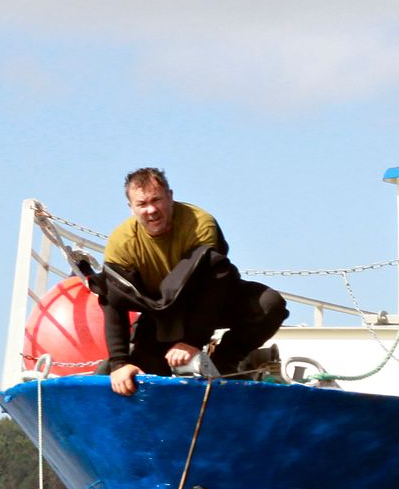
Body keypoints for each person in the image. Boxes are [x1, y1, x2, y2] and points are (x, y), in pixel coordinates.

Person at [93, 169, 288, 395]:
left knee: (269, 304)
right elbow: (113, 301)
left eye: (157, 200)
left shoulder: (199, 224)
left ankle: (227, 362)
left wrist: (193, 342)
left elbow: (215, 285)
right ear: (131, 208)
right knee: (143, 379)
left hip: (211, 302)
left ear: (170, 196)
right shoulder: (121, 243)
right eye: (142, 204)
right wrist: (119, 363)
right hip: (161, 317)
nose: (151, 210)